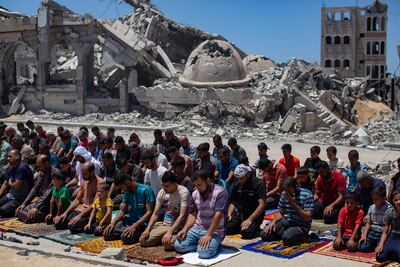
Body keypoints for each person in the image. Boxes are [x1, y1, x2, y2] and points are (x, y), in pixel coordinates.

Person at [174, 170, 229, 259]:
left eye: (199, 185)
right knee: (178, 246)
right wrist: (185, 229)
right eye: (195, 185)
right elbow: (193, 215)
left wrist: (208, 234)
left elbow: (218, 215)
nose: (197, 188)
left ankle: (213, 245)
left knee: (204, 253)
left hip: (215, 230)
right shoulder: (195, 193)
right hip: (198, 227)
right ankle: (202, 245)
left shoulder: (221, 192)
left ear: (208, 181)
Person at [140, 172, 190, 250]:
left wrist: (170, 232)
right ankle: (164, 236)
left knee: (168, 245)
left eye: (167, 186)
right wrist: (147, 229)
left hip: (179, 226)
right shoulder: (162, 192)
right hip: (166, 224)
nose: (164, 188)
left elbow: (182, 215)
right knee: (143, 240)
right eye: (163, 185)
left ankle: (168, 237)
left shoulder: (183, 192)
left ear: (175, 184)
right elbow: (155, 214)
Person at [103, 171, 155, 244]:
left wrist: (134, 225)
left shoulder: (146, 190)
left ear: (127, 182)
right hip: (130, 221)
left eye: (122, 187)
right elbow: (122, 211)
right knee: (107, 234)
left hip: (142, 224)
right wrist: (113, 223)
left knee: (125, 238)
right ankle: (125, 231)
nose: (122, 190)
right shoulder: (127, 192)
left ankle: (127, 232)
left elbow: (149, 212)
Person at [261, 177, 314, 245]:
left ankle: (294, 234)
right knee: (264, 234)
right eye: (286, 191)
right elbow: (281, 213)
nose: (287, 193)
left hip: (301, 225)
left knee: (287, 238)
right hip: (287, 222)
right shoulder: (284, 194)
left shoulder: (306, 194)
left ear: (296, 187)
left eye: (289, 191)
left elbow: (307, 217)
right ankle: (285, 233)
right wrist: (273, 222)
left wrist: (293, 203)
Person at [53, 162, 105, 232]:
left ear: (92, 172)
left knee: (72, 227)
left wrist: (80, 216)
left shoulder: (100, 183)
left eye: (85, 174)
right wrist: (65, 213)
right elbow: (77, 199)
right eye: (82, 173)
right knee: (59, 223)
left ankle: (92, 224)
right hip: (81, 210)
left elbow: (94, 204)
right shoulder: (84, 181)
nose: (83, 176)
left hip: (91, 212)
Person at [227, 165, 266, 239]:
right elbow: (233, 202)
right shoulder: (236, 184)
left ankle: (257, 230)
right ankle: (240, 226)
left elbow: (262, 204)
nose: (239, 181)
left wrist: (250, 219)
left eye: (241, 178)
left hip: (254, 215)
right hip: (241, 214)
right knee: (226, 228)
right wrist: (229, 214)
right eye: (237, 178)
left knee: (246, 233)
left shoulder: (259, 184)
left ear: (247, 175)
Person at [16, 155, 56, 223]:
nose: (38, 168)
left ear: (47, 164)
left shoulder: (55, 173)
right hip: (40, 201)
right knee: (19, 211)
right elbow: (35, 189)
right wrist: (24, 203)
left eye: (40, 166)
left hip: (49, 203)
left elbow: (48, 193)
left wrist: (36, 207)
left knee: (30, 217)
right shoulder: (42, 173)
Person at [0, 150, 33, 217]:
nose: (8, 158)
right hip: (10, 196)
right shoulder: (11, 167)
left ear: (17, 156)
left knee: (3, 211)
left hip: (20, 199)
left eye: (10, 156)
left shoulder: (22, 168)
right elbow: (5, 184)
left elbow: (17, 186)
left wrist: (9, 182)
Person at [359, 187, 393, 252]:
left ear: (383, 198)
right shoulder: (372, 207)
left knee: (382, 250)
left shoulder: (389, 209)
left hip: (382, 233)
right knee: (361, 247)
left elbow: (387, 228)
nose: (374, 201)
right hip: (372, 232)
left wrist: (382, 243)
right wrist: (364, 235)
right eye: (373, 199)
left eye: (376, 199)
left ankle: (376, 245)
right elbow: (369, 223)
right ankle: (373, 245)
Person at [376, 191, 400, 263]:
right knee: (380, 257)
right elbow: (385, 232)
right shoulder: (390, 212)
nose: (399, 202)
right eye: (396, 200)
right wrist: (381, 244)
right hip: (393, 238)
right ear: (392, 201)